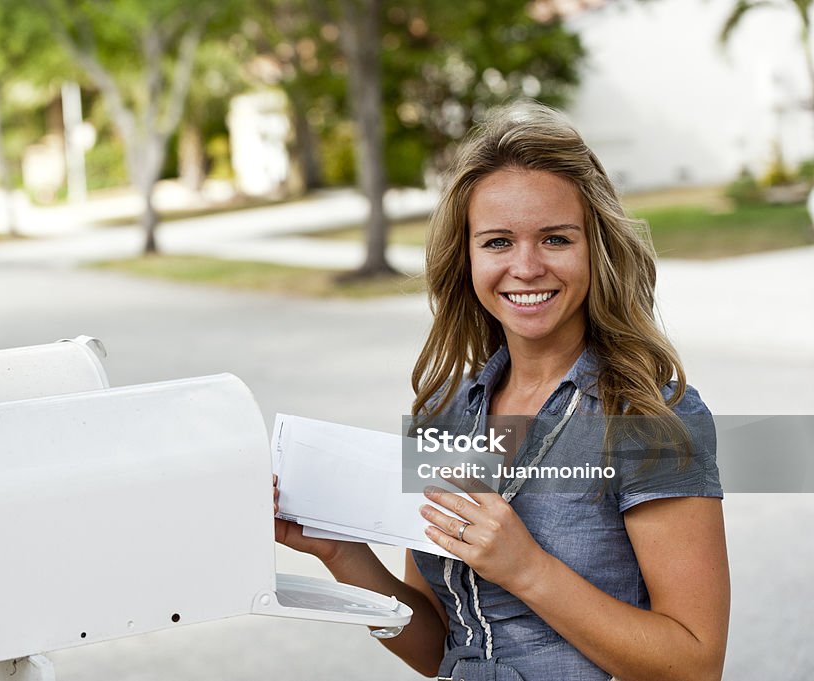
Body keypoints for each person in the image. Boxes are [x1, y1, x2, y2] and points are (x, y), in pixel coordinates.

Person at [273, 102, 729, 681]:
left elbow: (695, 664)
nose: (527, 266)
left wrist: (528, 570)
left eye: (556, 239)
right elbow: (439, 644)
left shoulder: (649, 416)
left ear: (597, 250)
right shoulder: (444, 414)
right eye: (497, 242)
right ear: (465, 259)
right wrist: (341, 552)